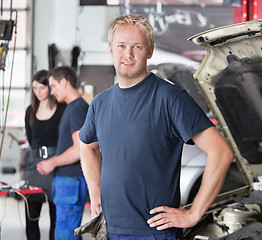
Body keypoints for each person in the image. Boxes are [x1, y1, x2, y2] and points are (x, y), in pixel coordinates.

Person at [79, 13, 234, 239]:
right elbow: (87, 146)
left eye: (137, 47)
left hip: (155, 233)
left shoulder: (170, 98)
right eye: (121, 45)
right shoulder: (100, 103)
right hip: (112, 230)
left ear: (150, 51)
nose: (128, 54)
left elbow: (221, 152)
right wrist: (95, 193)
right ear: (111, 48)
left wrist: (193, 214)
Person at [37, 66, 89, 240]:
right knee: (64, 232)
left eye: (53, 86)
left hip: (71, 181)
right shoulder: (73, 108)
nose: (51, 92)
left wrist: (52, 162)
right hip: (67, 181)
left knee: (65, 234)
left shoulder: (76, 109)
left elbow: (80, 149)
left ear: (64, 82)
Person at [24, 69, 65, 240]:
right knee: (31, 217)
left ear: (50, 88)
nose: (38, 92)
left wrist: (55, 160)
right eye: (34, 88)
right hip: (35, 166)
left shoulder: (62, 109)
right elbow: (31, 138)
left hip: (56, 165)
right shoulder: (30, 111)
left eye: (41, 88)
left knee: (56, 219)